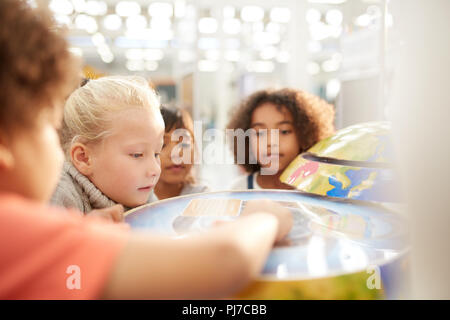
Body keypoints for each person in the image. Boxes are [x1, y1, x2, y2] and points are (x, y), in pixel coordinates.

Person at [0, 0, 293, 299]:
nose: (155, 167)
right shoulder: (16, 230)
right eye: (49, 126)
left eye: (156, 152)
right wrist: (264, 219)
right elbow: (223, 262)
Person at [51, 75, 163, 216]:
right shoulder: (60, 197)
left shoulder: (143, 190)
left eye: (156, 154)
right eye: (137, 154)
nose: (155, 169)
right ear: (84, 157)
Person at [227, 88, 335, 190]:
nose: (271, 142)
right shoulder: (239, 189)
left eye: (284, 131)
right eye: (260, 133)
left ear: (306, 135)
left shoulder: (320, 187)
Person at [153, 106, 209, 200]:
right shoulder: (132, 202)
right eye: (163, 145)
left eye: (184, 143)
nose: (176, 154)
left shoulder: (203, 198)